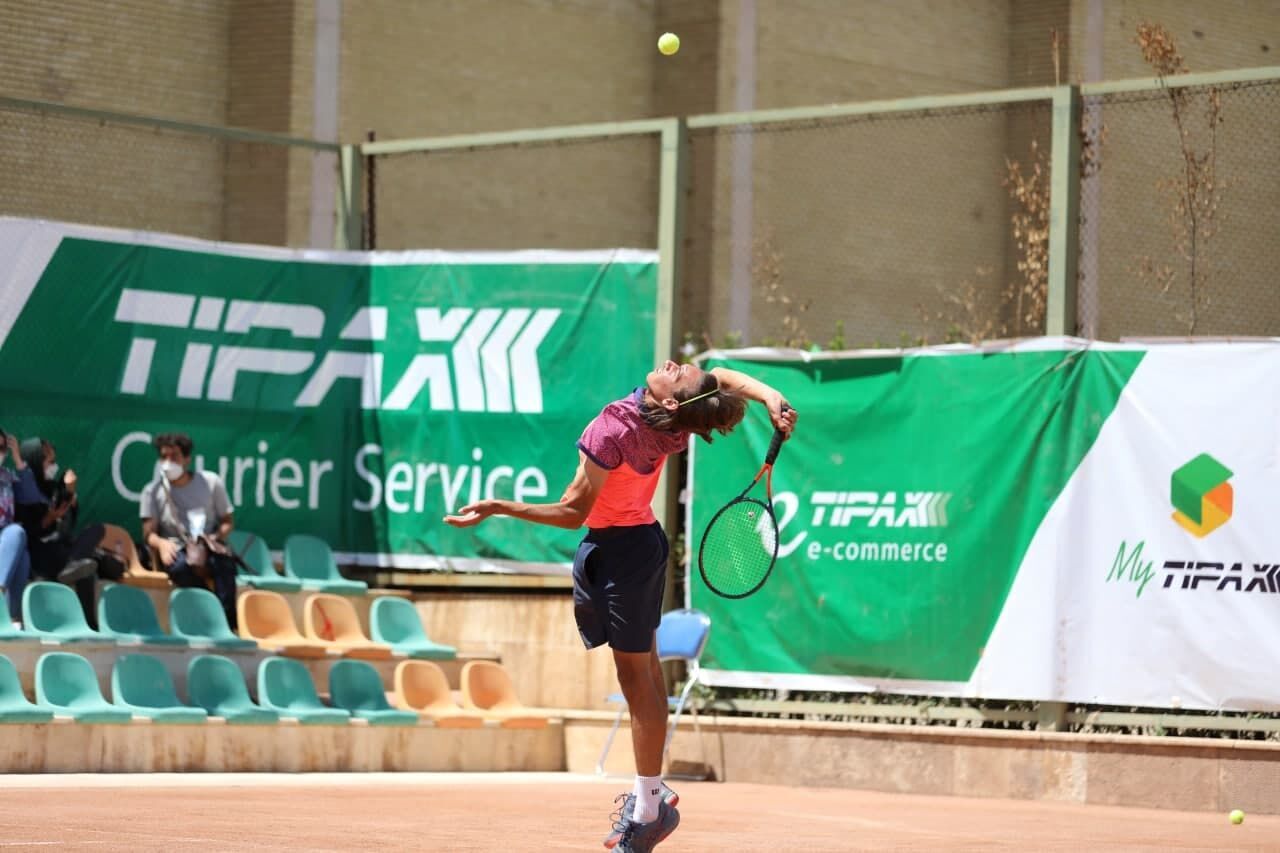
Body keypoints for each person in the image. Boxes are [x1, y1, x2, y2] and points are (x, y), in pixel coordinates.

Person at [445, 359, 797, 853]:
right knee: (645, 674)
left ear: (673, 399)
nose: (677, 364)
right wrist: (770, 395)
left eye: (680, 374)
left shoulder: (617, 428)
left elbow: (572, 513)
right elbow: (721, 376)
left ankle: (650, 811)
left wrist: (499, 507)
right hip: (636, 546)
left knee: (637, 680)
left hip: (624, 554)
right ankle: (648, 797)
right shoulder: (676, 414)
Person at [139, 432, 239, 629]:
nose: (168, 462)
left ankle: (228, 625)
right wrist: (162, 544)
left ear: (187, 459)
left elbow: (228, 521)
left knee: (226, 564)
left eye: (174, 456)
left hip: (207, 545)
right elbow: (148, 533)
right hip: (177, 548)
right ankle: (210, 611)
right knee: (179, 567)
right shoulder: (151, 491)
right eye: (163, 457)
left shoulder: (211, 482)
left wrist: (213, 538)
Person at [16, 437, 105, 626]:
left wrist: (71, 496)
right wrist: (47, 519)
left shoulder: (54, 488)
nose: (54, 466)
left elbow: (67, 526)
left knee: (96, 531)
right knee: (85, 567)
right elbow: (25, 532)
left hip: (62, 548)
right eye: (50, 461)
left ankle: (89, 624)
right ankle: (90, 625)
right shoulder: (23, 490)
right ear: (35, 461)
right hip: (41, 553)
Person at [0, 432, 37, 627]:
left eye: (2, 448)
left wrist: (17, 459)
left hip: (4, 536)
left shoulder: (6, 476)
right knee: (20, 545)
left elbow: (31, 497)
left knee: (19, 541)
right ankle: (8, 611)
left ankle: (10, 618)